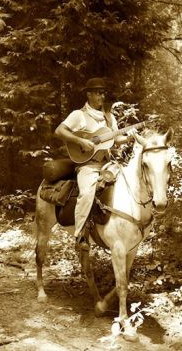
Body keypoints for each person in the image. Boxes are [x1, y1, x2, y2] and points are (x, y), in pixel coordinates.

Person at [54, 77, 133, 251]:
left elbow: (115, 139)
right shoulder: (78, 115)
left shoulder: (108, 117)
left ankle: (122, 227)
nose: (102, 96)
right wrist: (80, 141)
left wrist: (129, 137)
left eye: (103, 93)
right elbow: (59, 131)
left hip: (108, 164)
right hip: (88, 165)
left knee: (128, 182)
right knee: (86, 193)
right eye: (98, 93)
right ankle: (81, 235)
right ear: (89, 94)